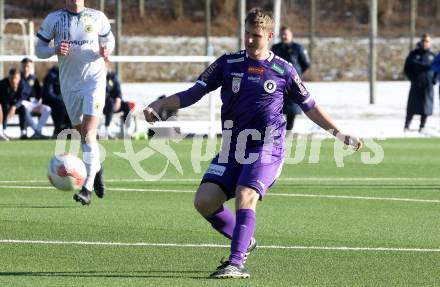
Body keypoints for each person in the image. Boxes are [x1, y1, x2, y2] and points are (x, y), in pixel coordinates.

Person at [144, 8, 362, 279]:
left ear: (269, 36)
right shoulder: (227, 63)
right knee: (204, 201)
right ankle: (244, 238)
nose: (249, 40)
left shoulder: (283, 69)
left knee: (246, 195)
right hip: (232, 148)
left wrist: (339, 133)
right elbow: (194, 92)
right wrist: (162, 103)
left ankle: (236, 262)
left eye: (256, 36)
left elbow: (311, 106)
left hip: (266, 147)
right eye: (246, 33)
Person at [36, 0, 115, 205]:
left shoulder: (97, 17)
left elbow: (110, 40)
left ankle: (87, 188)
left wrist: (106, 50)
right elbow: (39, 49)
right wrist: (54, 50)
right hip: (69, 84)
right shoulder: (54, 19)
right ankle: (96, 168)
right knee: (82, 134)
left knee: (89, 131)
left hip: (94, 81)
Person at [271, 26, 310, 132]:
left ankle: (289, 130)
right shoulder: (275, 48)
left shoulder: (298, 48)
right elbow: (270, 62)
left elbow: (306, 64)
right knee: (276, 107)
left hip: (293, 83)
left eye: (286, 34)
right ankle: (277, 131)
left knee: (292, 108)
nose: (284, 36)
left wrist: (296, 74)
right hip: (278, 83)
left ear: (291, 35)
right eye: (282, 34)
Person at [403, 33, 435, 133]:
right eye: (423, 41)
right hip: (416, 83)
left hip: (428, 85)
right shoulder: (414, 54)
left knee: (426, 106)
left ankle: (422, 126)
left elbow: (438, 70)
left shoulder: (433, 56)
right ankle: (406, 126)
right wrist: (412, 78)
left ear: (430, 43)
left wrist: (435, 80)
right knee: (412, 106)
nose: (425, 43)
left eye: (427, 41)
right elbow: (407, 69)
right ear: (421, 42)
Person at [20, 57, 52, 139]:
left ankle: (38, 130)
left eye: (28, 66)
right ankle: (37, 132)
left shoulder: (34, 78)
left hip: (34, 103)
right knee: (24, 108)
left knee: (47, 109)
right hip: (23, 103)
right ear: (21, 66)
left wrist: (38, 102)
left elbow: (39, 93)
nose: (26, 68)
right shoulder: (18, 78)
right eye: (24, 66)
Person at [102, 60, 134, 139]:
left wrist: (118, 100)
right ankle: (107, 130)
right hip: (102, 104)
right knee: (110, 103)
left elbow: (118, 90)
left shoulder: (112, 76)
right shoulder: (98, 77)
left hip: (114, 103)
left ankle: (128, 130)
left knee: (126, 105)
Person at [42, 65, 72, 138]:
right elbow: (48, 93)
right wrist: (61, 99)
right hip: (50, 101)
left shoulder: (67, 74)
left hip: (60, 101)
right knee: (63, 106)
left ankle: (70, 129)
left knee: (71, 104)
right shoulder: (51, 76)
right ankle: (58, 129)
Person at [0, 68, 29, 141]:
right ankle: (3, 131)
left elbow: (22, 98)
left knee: (23, 109)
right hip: (5, 105)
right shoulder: (3, 84)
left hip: (16, 106)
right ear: (9, 77)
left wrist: (14, 107)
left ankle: (23, 132)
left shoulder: (22, 83)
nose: (14, 80)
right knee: (5, 107)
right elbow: (3, 99)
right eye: (12, 78)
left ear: (19, 78)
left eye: (16, 78)